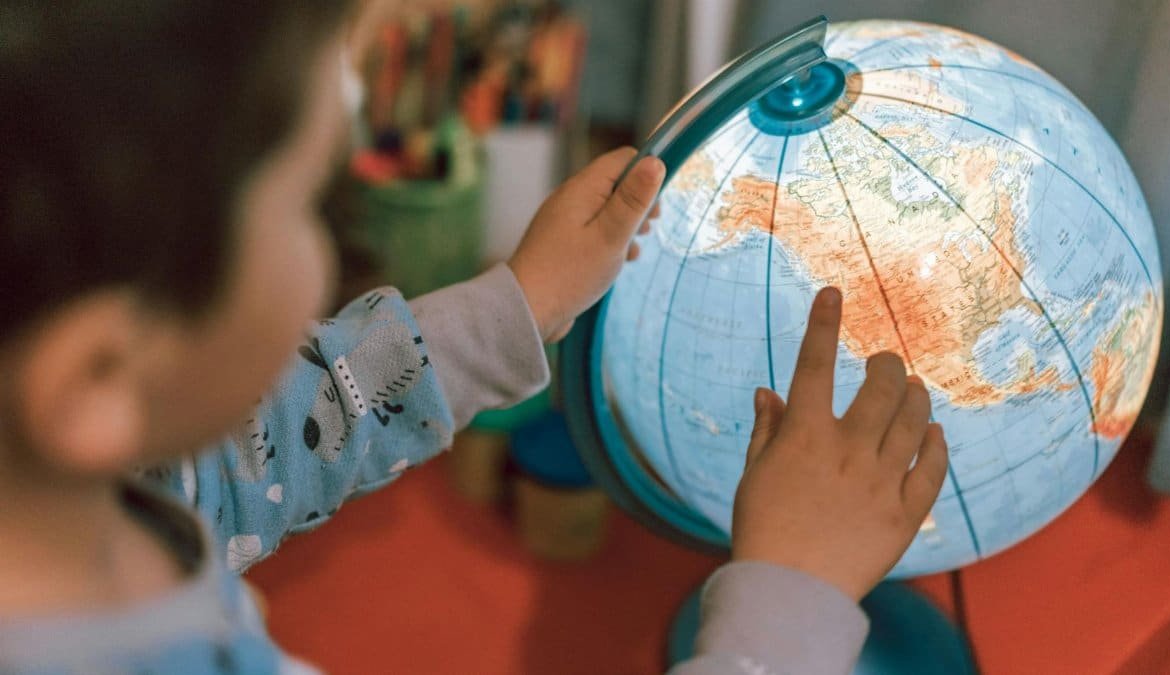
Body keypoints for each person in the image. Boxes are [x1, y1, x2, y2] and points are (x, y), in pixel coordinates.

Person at [0, 3, 948, 673]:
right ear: (98, 373)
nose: (329, 246)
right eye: (304, 204)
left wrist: (518, 305)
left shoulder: (113, 481)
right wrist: (785, 610)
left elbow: (279, 439)